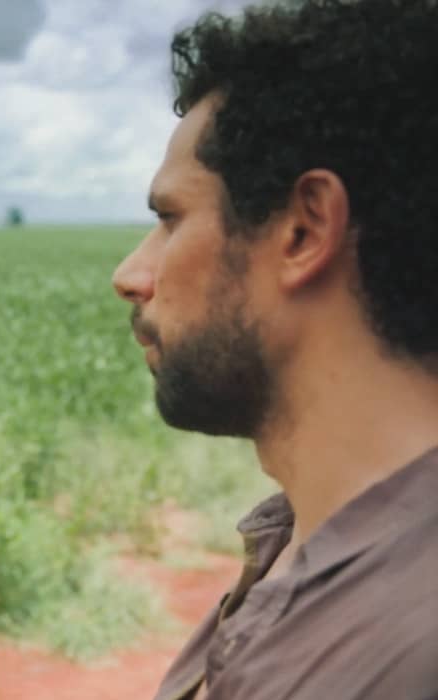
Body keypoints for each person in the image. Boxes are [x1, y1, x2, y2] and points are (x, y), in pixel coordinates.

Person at [112, 1, 438, 698]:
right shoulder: (301, 543)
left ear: (303, 230)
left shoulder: (403, 652)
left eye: (171, 219)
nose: (131, 275)